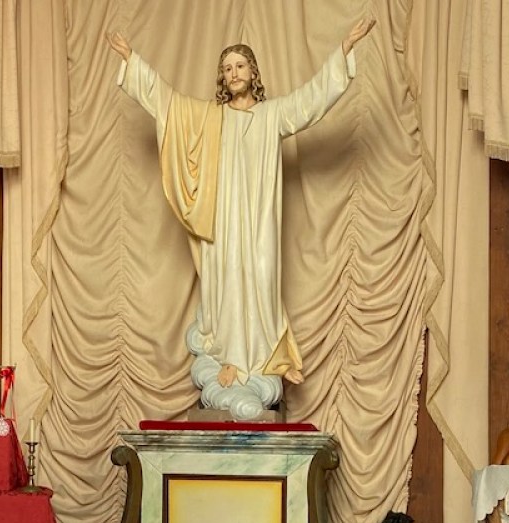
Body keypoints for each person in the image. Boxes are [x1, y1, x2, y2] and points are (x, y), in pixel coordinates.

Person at [107, 15, 376, 420]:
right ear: (223, 77)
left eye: (240, 65)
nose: (233, 73)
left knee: (261, 284)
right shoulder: (209, 119)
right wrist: (134, 61)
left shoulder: (272, 115)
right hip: (222, 227)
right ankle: (229, 362)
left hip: (260, 226)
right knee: (225, 286)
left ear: (253, 72)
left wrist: (343, 50)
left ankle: (261, 364)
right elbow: (168, 102)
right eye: (227, 68)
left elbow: (311, 100)